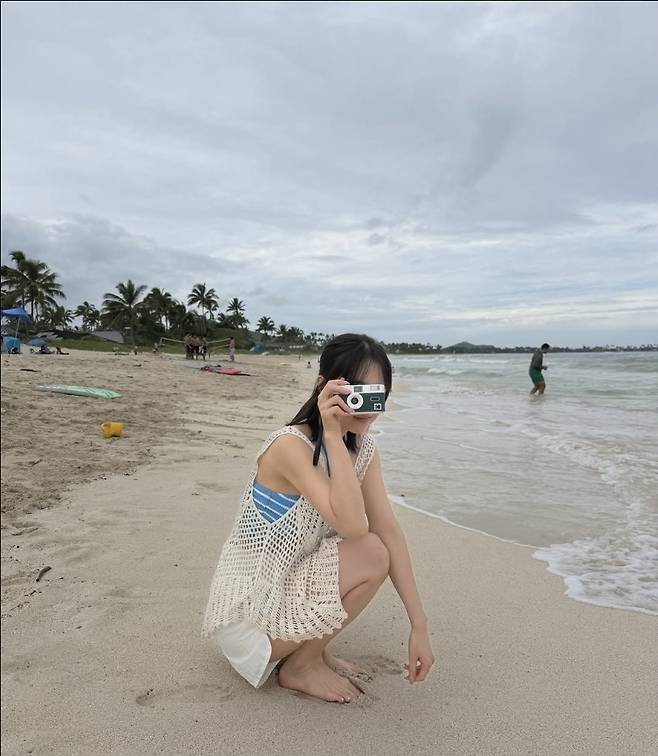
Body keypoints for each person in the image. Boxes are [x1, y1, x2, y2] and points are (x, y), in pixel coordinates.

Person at [203, 333, 434, 703]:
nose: (368, 407)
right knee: (370, 551)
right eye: (357, 393)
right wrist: (331, 434)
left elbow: (389, 529)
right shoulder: (288, 445)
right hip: (250, 616)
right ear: (324, 388)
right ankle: (302, 665)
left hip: (285, 593)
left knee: (379, 545)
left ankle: (312, 651)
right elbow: (354, 526)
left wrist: (419, 624)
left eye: (377, 395)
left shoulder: (362, 448)